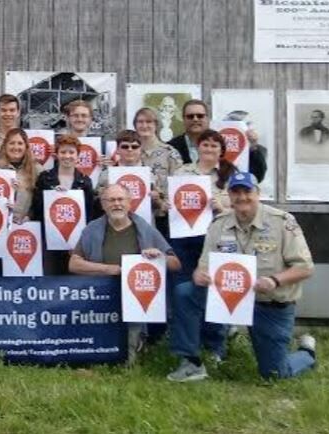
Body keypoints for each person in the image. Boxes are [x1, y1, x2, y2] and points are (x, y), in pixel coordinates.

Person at [167, 172, 316, 382]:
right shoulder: (218, 224)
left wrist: (274, 281)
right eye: (236, 192)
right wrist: (199, 276)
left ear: (258, 193)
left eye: (247, 191)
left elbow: (305, 268)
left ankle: (306, 352)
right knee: (185, 291)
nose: (242, 197)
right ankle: (191, 362)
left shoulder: (282, 222)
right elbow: (202, 267)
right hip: (227, 298)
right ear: (229, 195)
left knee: (274, 374)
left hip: (268, 303)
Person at [68, 184, 180, 360]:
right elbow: (74, 264)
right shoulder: (91, 229)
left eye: (121, 199)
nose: (116, 204)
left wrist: (159, 258)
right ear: (103, 205)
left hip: (135, 296)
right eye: (111, 200)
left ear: (130, 203)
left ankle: (133, 353)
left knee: (133, 309)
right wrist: (111, 270)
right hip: (101, 294)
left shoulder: (145, 229)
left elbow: (175, 264)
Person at [166, 129, 234, 360]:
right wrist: (167, 205)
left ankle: (215, 344)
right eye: (205, 145)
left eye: (215, 146)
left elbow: (242, 210)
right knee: (183, 291)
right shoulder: (183, 171)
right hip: (184, 239)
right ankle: (187, 345)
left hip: (217, 240)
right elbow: (171, 202)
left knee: (214, 291)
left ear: (221, 150)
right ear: (198, 148)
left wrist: (222, 208)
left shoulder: (231, 175)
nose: (209, 149)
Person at [30, 135, 98, 274]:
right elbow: (36, 209)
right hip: (48, 240)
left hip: (75, 243)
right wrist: (53, 197)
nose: (67, 156)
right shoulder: (45, 178)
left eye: (71, 152)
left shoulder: (85, 181)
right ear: (56, 155)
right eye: (63, 152)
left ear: (78, 155)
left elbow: (89, 214)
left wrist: (79, 242)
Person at [168, 100, 267, 182]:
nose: (195, 119)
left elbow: (257, 176)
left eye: (200, 116)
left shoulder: (223, 142)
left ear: (208, 118)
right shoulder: (171, 147)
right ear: (183, 119)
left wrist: (253, 147)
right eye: (190, 116)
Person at [132, 108, 184, 227]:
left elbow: (178, 183)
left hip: (163, 216)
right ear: (135, 125)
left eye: (149, 122)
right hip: (135, 215)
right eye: (140, 122)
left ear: (156, 125)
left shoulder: (170, 153)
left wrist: (164, 203)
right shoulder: (128, 151)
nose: (144, 125)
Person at [0, 129, 42, 222]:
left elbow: (40, 201)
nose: (16, 147)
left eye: (20, 143)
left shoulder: (37, 170)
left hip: (24, 226)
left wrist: (30, 216)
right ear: (5, 146)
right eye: (12, 143)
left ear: (26, 147)